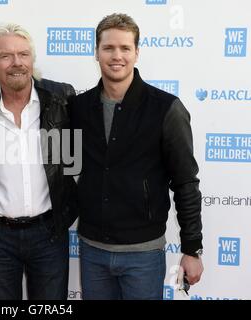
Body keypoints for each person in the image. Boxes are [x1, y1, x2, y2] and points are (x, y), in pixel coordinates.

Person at [70, 13, 203, 300]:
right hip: (92, 251)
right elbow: (65, 169)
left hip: (143, 254)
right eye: (108, 48)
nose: (117, 56)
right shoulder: (79, 108)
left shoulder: (166, 109)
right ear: (96, 52)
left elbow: (186, 182)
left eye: (125, 48)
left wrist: (192, 248)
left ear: (137, 53)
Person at [0, 23, 78, 300]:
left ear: (32, 60)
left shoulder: (61, 99)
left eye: (23, 54)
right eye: (6, 56)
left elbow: (75, 162)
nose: (17, 63)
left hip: (49, 233)